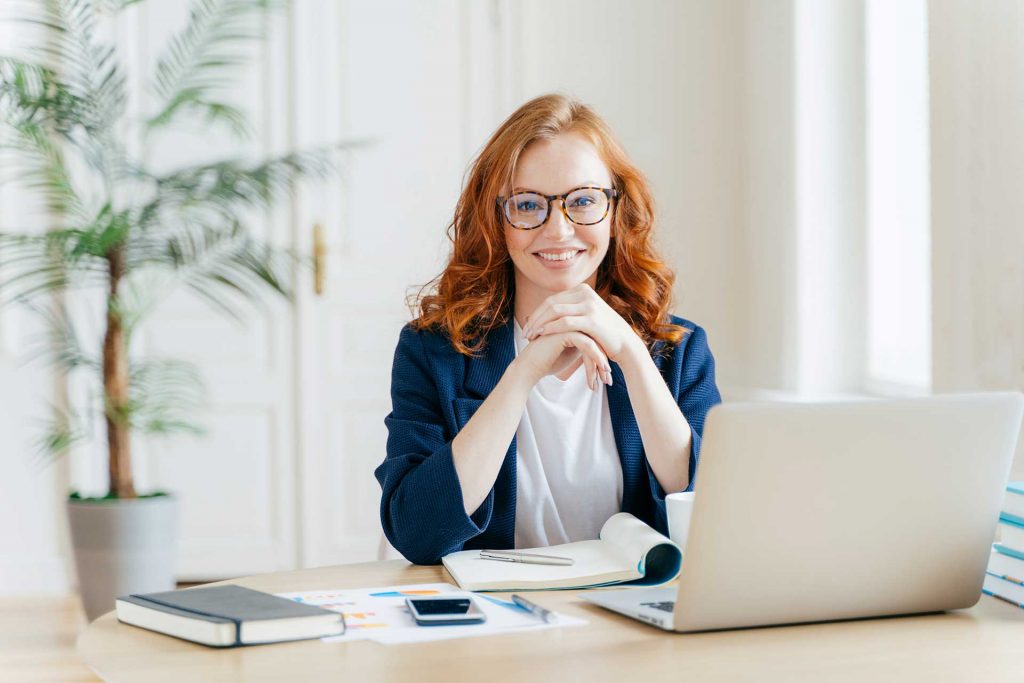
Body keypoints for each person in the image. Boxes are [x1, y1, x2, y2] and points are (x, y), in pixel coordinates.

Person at [375, 93, 722, 565]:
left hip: (632, 619)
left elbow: (715, 518)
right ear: (496, 219)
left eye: (583, 201)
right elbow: (417, 534)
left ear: (616, 210)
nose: (558, 230)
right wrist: (521, 376)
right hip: (496, 624)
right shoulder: (432, 350)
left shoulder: (677, 350)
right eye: (527, 204)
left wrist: (633, 357)